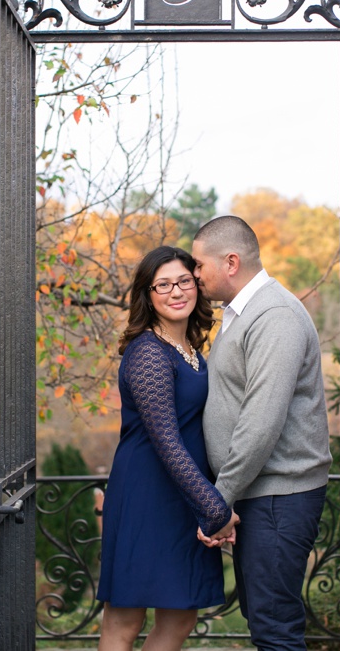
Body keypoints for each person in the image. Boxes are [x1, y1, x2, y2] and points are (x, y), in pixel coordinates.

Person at [191, 216, 332, 651]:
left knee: (275, 627)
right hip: (262, 495)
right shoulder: (239, 314)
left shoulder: (274, 315)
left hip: (279, 497)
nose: (195, 275)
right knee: (263, 617)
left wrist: (220, 497)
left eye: (199, 265)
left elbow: (262, 420)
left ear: (230, 261)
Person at [97, 245, 240, 651]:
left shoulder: (191, 349)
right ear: (148, 293)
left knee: (181, 614)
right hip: (147, 493)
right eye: (163, 284)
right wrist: (214, 509)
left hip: (184, 494)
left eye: (184, 281)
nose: (176, 291)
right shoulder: (148, 353)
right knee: (126, 617)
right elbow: (166, 441)